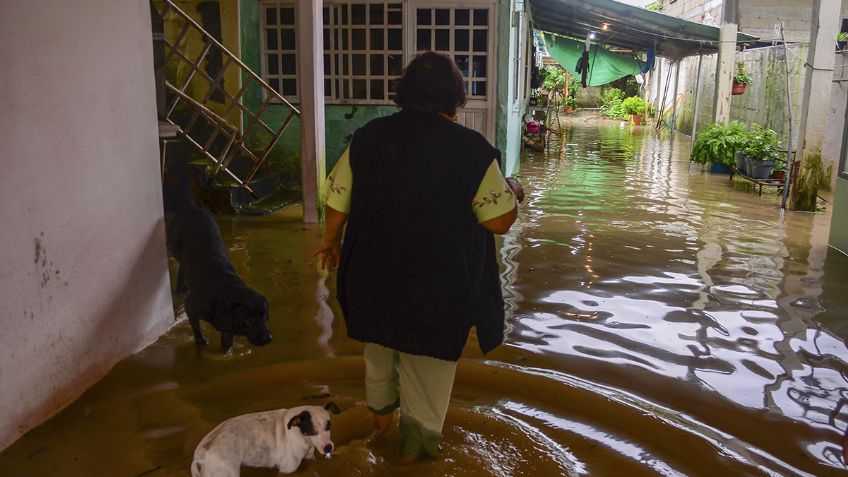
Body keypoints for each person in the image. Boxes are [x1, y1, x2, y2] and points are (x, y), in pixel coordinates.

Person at [315, 51, 523, 462]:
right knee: (426, 371)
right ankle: (413, 455)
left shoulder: (369, 136)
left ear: (404, 92)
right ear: (456, 97)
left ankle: (379, 434)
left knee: (379, 354)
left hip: (371, 278)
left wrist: (330, 240)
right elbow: (498, 224)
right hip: (438, 289)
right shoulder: (472, 149)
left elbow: (338, 198)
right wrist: (513, 190)